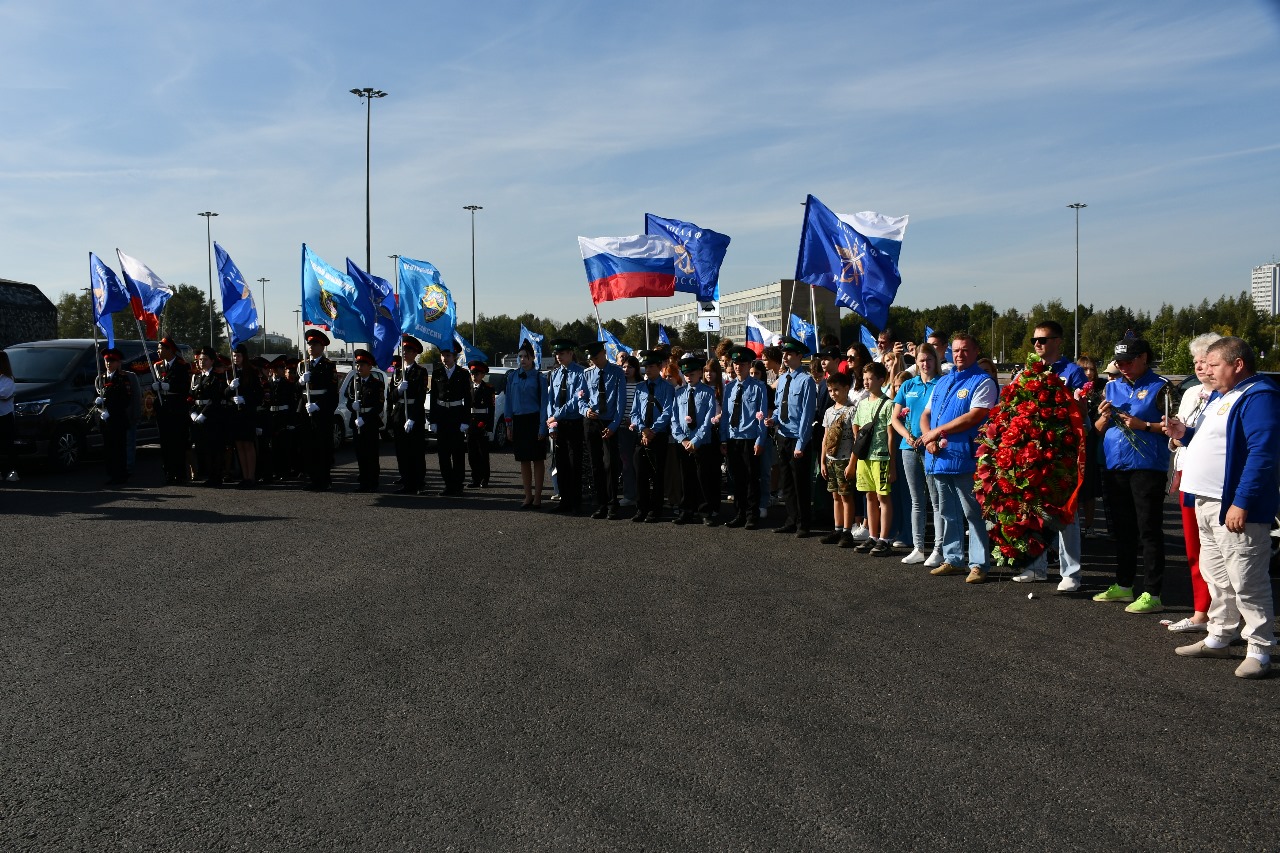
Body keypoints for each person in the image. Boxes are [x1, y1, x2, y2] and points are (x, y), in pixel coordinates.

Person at [1168, 337, 1278, 679]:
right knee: (1216, 575)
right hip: (1204, 500)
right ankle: (1219, 635)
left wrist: (1241, 502)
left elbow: (1262, 453)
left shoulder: (1259, 395)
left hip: (1230, 505)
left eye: (1214, 364)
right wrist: (1184, 434)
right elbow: (1215, 441)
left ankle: (1259, 648)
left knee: (1247, 578)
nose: (1206, 370)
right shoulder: (1223, 395)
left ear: (1238, 364)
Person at [1093, 335, 1172, 613]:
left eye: (1128, 361)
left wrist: (1144, 425)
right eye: (1119, 362)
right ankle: (1124, 585)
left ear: (1143, 358)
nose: (1123, 366)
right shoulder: (1111, 387)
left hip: (1147, 466)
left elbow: (1175, 429)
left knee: (1148, 530)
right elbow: (1099, 428)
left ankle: (1153, 592)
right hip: (1116, 466)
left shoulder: (1161, 387)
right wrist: (1102, 416)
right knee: (1123, 530)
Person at [1012, 320, 1088, 590]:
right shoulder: (1028, 372)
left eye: (1042, 340)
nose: (1037, 345)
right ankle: (1036, 567)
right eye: (1035, 340)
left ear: (1057, 341)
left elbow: (1081, 412)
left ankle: (1071, 573)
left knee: (1065, 513)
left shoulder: (1073, 372)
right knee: (1033, 509)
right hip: (1032, 451)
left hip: (1062, 452)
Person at [920, 333, 998, 584]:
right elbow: (926, 414)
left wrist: (937, 432)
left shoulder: (982, 381)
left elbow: (975, 416)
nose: (959, 355)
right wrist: (928, 437)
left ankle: (978, 564)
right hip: (940, 457)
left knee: (973, 513)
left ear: (975, 351)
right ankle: (953, 559)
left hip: (966, 458)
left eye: (965, 350)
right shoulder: (942, 382)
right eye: (955, 350)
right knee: (947, 512)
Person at [1165, 333, 1222, 631]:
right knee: (1194, 548)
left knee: (1220, 552)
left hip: (1215, 480)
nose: (1200, 367)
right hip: (1188, 475)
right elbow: (1181, 438)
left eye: (1205, 361)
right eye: (1196, 361)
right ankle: (1201, 611)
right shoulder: (1191, 393)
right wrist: (1175, 437)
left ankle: (1223, 616)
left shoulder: (1230, 395)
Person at [892, 343, 943, 566]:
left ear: (935, 361)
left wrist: (929, 437)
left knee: (936, 500)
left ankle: (939, 549)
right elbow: (895, 418)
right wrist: (908, 436)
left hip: (933, 447)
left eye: (929, 359)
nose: (925, 363)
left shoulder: (942, 384)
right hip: (909, 447)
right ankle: (918, 547)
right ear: (916, 361)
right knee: (916, 500)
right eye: (921, 360)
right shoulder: (907, 385)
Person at [766, 336, 817, 537]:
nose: (784, 357)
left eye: (788, 354)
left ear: (798, 356)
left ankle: (804, 523)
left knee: (800, 483)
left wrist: (801, 443)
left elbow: (807, 414)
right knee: (786, 481)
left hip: (798, 437)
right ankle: (791, 519)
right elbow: (780, 406)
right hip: (783, 435)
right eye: (784, 354)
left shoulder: (806, 381)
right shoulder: (783, 379)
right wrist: (773, 420)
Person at [849, 361, 896, 556]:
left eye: (870, 379)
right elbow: (856, 428)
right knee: (869, 496)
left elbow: (891, 435)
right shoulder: (862, 403)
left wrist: (892, 464)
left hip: (881, 457)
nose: (866, 382)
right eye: (864, 378)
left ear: (881, 379)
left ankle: (884, 538)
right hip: (865, 458)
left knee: (883, 497)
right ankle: (873, 535)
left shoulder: (888, 404)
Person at [721, 345, 768, 530]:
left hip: (750, 437)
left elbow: (762, 414)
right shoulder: (730, 387)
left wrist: (760, 439)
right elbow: (725, 414)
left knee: (751, 478)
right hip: (733, 437)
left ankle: (751, 515)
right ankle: (739, 513)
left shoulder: (759, 387)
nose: (738, 366)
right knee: (736, 478)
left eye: (742, 363)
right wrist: (723, 438)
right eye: (736, 363)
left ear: (749, 365)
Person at [671, 353, 720, 525]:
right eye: (685, 374)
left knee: (702, 477)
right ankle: (686, 510)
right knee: (685, 477)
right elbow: (674, 419)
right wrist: (682, 439)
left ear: (700, 373)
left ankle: (704, 510)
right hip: (684, 443)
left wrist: (696, 440)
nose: (688, 377)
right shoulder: (679, 393)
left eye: (692, 374)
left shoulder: (707, 393)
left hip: (702, 443)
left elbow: (707, 421)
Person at [580, 340, 626, 519]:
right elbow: (580, 398)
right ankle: (600, 504)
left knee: (610, 464)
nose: (594, 360)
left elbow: (621, 403)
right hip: (592, 422)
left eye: (596, 357)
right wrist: (585, 410)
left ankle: (613, 503)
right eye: (591, 358)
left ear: (604, 353)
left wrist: (614, 426)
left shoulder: (616, 373)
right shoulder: (587, 374)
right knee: (596, 465)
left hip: (609, 423)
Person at [630, 349, 675, 523]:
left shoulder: (667, 388)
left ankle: (655, 510)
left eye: (651, 366)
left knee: (657, 474)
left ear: (659, 367)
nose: (647, 370)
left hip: (658, 435)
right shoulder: (640, 387)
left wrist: (653, 430)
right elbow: (635, 412)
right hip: (642, 435)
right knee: (640, 473)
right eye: (645, 366)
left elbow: (668, 412)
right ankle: (641, 508)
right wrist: (643, 429)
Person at [504, 342, 548, 508]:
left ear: (532, 358)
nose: (522, 359)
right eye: (520, 356)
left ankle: (538, 497)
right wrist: (509, 424)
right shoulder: (512, 377)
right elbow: (508, 401)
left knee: (537, 459)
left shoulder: (539, 378)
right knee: (523, 460)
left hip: (534, 420)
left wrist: (543, 427)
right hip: (519, 421)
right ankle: (527, 495)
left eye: (526, 356)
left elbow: (544, 404)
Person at [544, 339, 585, 513]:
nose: (558, 356)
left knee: (574, 463)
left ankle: (576, 502)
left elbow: (576, 400)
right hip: (558, 424)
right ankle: (564, 501)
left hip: (574, 422)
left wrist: (556, 415)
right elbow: (550, 401)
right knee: (560, 463)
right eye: (556, 354)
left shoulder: (581, 373)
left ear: (570, 353)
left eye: (561, 353)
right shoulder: (555, 374)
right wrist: (552, 424)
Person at [429, 341, 473, 497]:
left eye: (448, 355)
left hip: (456, 415)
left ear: (455, 357)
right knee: (443, 453)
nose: (444, 358)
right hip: (441, 416)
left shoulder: (463, 373)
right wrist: (432, 420)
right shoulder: (437, 373)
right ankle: (448, 484)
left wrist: (465, 420)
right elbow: (434, 397)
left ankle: (458, 484)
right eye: (442, 355)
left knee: (458, 453)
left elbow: (468, 399)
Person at [819, 370, 857, 546]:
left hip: (845, 459)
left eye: (837, 389)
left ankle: (848, 532)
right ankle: (838, 528)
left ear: (846, 388)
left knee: (846, 496)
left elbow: (856, 438)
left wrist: (852, 463)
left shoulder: (852, 410)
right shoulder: (828, 411)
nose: (833, 393)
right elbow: (825, 438)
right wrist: (822, 461)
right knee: (835, 496)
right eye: (830, 390)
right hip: (831, 459)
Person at [299, 329, 338, 492]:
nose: (311, 347)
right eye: (309, 344)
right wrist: (300, 382)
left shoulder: (328, 366)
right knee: (309, 446)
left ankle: (325, 479)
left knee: (323, 446)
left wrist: (319, 405)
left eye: (314, 344)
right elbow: (296, 391)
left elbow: (332, 392)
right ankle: (314, 479)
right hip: (306, 408)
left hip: (321, 411)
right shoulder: (303, 365)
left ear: (322, 347)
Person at [391, 335, 429, 495]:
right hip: (400, 413)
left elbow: (420, 397)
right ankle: (406, 481)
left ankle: (418, 482)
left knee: (416, 451)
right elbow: (391, 396)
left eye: (409, 350)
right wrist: (398, 390)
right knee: (402, 451)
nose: (405, 353)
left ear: (415, 353)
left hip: (413, 415)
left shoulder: (421, 372)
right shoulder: (398, 372)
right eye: (404, 350)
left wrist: (412, 418)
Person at [346, 348, 385, 492]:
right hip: (357, 422)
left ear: (370, 366)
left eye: (362, 365)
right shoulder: (355, 382)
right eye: (358, 364)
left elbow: (378, 406)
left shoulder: (377, 383)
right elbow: (349, 399)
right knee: (360, 454)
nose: (359, 367)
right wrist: (352, 406)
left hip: (370, 423)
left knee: (371, 454)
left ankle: (373, 482)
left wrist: (365, 419)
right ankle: (363, 482)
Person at [153, 336, 191, 484]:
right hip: (163, 407)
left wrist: (171, 387)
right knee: (165, 442)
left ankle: (180, 474)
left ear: (170, 350)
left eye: (161, 348)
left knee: (178, 441)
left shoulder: (182, 365)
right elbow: (155, 383)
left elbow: (185, 387)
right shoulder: (157, 365)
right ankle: (168, 472)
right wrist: (154, 387)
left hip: (177, 407)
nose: (158, 351)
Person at [96, 348, 134, 486]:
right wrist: (100, 405)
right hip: (106, 420)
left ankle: (121, 475)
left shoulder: (122, 378)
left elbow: (125, 400)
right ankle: (111, 474)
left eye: (112, 361)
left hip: (118, 419)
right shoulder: (101, 378)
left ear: (118, 363)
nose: (108, 364)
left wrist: (111, 411)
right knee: (108, 449)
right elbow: (99, 394)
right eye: (107, 361)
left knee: (119, 449)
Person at [227, 344, 262, 489]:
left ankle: (251, 476)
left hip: (247, 413)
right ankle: (244, 476)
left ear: (244, 356)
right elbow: (223, 394)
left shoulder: (252, 372)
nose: (236, 358)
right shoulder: (230, 372)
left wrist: (245, 399)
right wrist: (229, 389)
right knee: (239, 445)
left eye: (239, 355)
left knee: (248, 444)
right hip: (235, 413)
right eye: (234, 355)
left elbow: (259, 395)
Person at [264, 355, 298, 482]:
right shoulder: (268, 384)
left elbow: (292, 404)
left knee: (284, 446)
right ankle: (274, 471)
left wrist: (291, 422)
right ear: (273, 370)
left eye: (283, 368)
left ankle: (284, 471)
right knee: (272, 446)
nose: (283, 370)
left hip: (284, 416)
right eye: (280, 368)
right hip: (272, 416)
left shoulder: (288, 385)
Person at [466, 359, 495, 488]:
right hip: (470, 423)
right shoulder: (468, 388)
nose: (474, 376)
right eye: (472, 373)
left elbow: (491, 409)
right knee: (472, 454)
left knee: (483, 453)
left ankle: (485, 478)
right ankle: (475, 478)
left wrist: (489, 426)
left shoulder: (488, 389)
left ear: (483, 375)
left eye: (477, 374)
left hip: (482, 422)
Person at [618, 355, 642, 508]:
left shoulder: (641, 385)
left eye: (630, 367)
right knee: (626, 464)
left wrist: (633, 420)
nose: (626, 370)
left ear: (636, 369)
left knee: (638, 463)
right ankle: (629, 495)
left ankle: (641, 495)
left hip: (638, 427)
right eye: (624, 367)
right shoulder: (620, 383)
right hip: (622, 429)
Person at [0, 352, 14, 484]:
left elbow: (4, 395)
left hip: (5, 417)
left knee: (7, 446)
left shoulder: (7, 380)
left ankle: (10, 471)